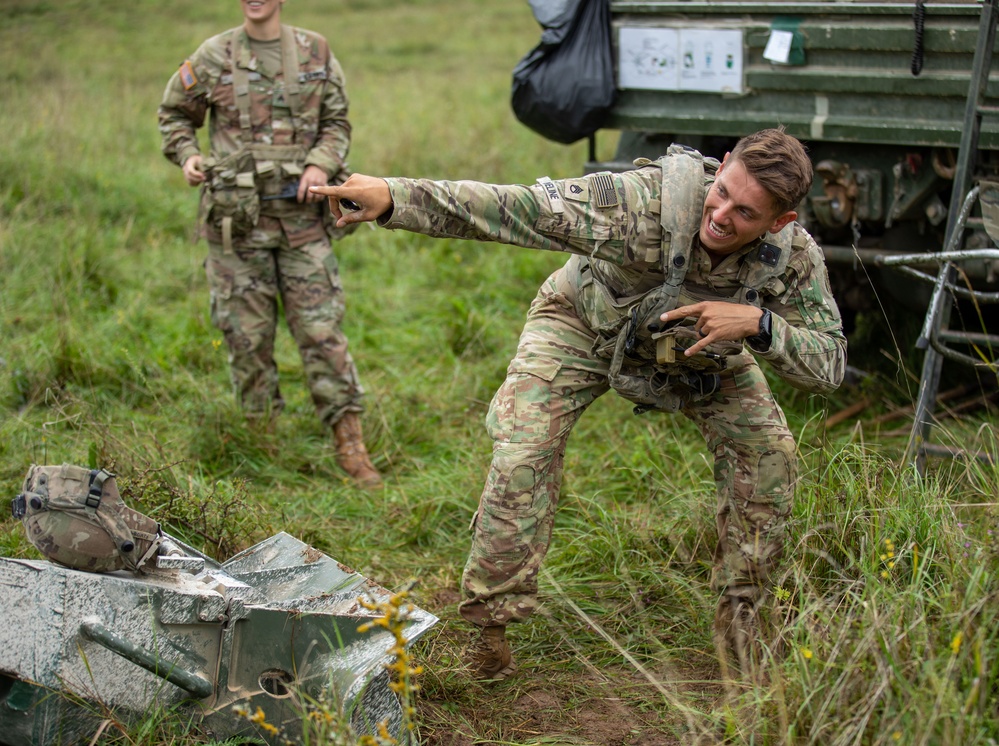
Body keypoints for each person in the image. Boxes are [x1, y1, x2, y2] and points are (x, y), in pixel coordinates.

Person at [311, 128, 846, 680]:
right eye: (723, 191)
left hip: (700, 353)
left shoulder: (791, 257)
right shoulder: (641, 204)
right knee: (523, 453)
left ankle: (742, 627)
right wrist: (395, 198)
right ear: (723, 164)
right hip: (585, 323)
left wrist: (760, 326)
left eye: (746, 212)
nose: (722, 214)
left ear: (779, 222)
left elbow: (829, 363)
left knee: (771, 457)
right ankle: (490, 628)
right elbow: (515, 208)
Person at [158, 0, 381, 487]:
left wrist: (321, 163)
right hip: (236, 229)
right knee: (246, 338)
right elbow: (175, 114)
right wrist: (188, 155)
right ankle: (261, 443)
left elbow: (337, 122)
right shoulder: (214, 55)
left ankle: (349, 441)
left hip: (303, 225)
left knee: (322, 332)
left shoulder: (315, 50)